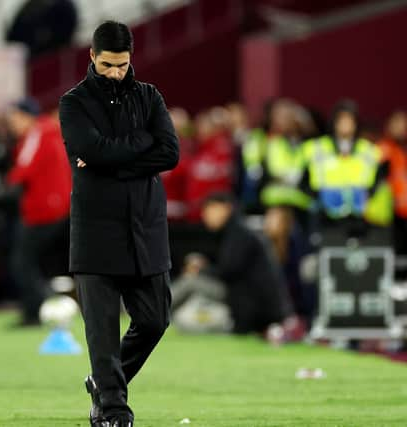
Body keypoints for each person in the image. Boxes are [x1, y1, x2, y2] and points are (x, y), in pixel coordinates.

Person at [59, 21, 179, 427]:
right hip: (96, 230)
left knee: (155, 320)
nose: (115, 73)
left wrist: (112, 163)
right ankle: (113, 412)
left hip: (146, 225)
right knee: (103, 333)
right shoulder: (73, 103)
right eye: (108, 65)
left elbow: (169, 152)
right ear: (91, 56)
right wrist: (139, 148)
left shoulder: (149, 97)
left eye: (122, 65)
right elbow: (90, 148)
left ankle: (104, 385)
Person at [170, 193, 294, 335]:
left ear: (225, 209)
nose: (205, 216)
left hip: (253, 305)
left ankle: (153, 312)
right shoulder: (234, 231)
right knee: (185, 318)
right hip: (245, 300)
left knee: (190, 282)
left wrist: (201, 269)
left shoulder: (239, 233)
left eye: (209, 210)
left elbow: (228, 272)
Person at [6, 98, 71, 326]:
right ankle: (38, 308)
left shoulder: (38, 132)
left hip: (43, 209)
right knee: (29, 261)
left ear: (26, 116)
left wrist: (5, 184)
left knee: (21, 262)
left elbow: (24, 168)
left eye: (14, 117)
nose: (11, 123)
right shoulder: (49, 132)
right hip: (52, 205)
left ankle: (40, 308)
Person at [300, 101, 392, 231]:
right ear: (334, 122)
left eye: (349, 120)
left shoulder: (368, 150)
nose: (345, 125)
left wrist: (369, 195)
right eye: (341, 120)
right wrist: (315, 197)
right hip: (324, 213)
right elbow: (303, 179)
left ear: (356, 123)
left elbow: (378, 179)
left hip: (361, 214)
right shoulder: (316, 147)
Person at [378, 111, 407, 256]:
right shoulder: (384, 149)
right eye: (397, 123)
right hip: (390, 211)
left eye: (403, 123)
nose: (401, 127)